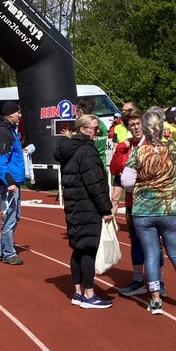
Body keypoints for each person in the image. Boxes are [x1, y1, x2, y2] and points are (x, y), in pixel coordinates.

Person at [120, 106, 176, 315]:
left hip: (144, 210)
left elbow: (126, 181)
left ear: (145, 129)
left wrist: (141, 181)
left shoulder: (138, 151)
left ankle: (155, 300)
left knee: (151, 254)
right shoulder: (173, 147)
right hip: (171, 207)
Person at [54, 113, 114, 308]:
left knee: (78, 248)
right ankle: (89, 295)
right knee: (88, 248)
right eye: (95, 129)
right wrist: (106, 208)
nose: (98, 132)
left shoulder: (69, 149)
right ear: (83, 129)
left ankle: (78, 292)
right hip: (87, 206)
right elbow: (94, 183)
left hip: (74, 205)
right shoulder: (86, 151)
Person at [110, 111, 165, 296]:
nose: (135, 127)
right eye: (131, 125)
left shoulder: (153, 144)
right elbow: (115, 169)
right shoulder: (126, 146)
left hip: (154, 201)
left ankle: (159, 280)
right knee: (136, 241)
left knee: (156, 243)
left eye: (138, 123)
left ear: (145, 124)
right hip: (134, 202)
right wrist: (121, 149)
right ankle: (138, 280)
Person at [0, 100, 24, 265]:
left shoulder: (10, 130)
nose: (20, 115)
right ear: (11, 114)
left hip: (12, 180)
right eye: (18, 112)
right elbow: (0, 161)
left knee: (14, 217)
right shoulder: (3, 132)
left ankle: (0, 251)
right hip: (8, 182)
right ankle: (9, 253)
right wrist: (9, 181)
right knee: (10, 218)